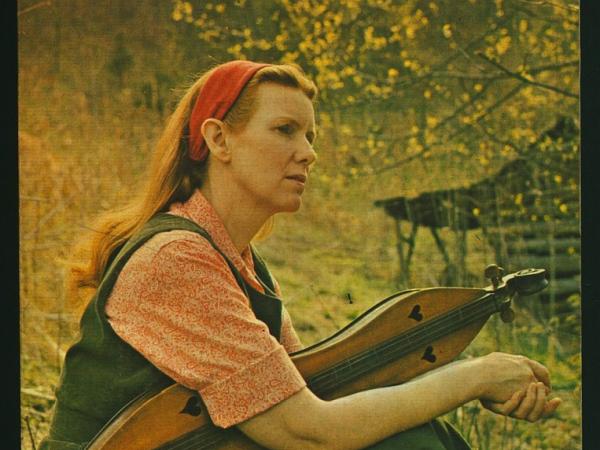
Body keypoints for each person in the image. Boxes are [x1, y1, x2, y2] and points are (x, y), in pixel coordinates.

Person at [40, 60, 561, 450]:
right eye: (284, 130)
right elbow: (309, 431)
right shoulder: (175, 259)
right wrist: (473, 376)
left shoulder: (238, 260)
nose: (309, 152)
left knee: (421, 436)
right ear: (219, 139)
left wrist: (468, 377)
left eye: (310, 135)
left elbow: (318, 394)